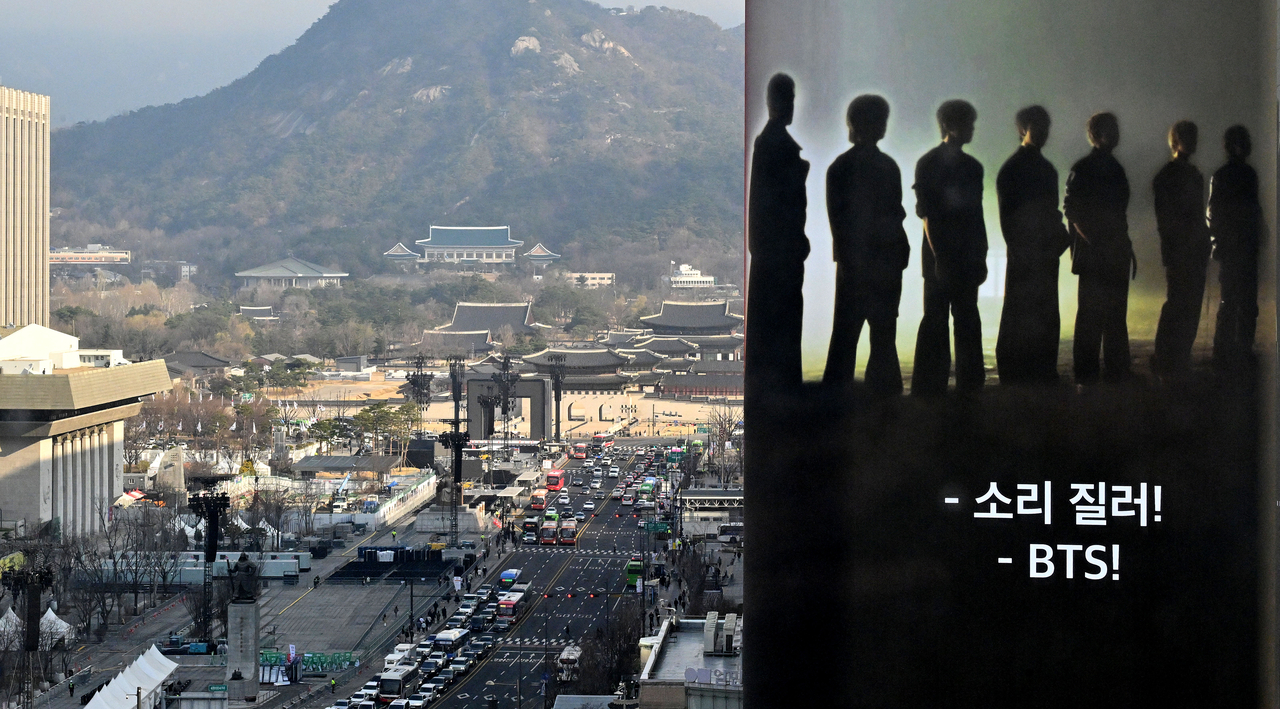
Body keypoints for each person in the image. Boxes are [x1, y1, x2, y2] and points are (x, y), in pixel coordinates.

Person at [822, 94, 911, 394]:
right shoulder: (888, 167)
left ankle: (834, 403)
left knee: (845, 337)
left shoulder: (840, 168)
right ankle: (885, 398)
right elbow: (895, 215)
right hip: (885, 264)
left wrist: (848, 261)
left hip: (854, 266)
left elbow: (839, 224)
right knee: (884, 336)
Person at [911, 99, 989, 396]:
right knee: (963, 317)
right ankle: (969, 383)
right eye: (968, 123)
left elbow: (929, 215)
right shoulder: (970, 167)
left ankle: (930, 386)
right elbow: (933, 215)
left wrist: (942, 256)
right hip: (954, 255)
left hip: (948, 255)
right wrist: (947, 255)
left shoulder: (929, 163)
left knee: (938, 317)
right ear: (952, 125)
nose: (972, 128)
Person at [995, 105, 1071, 384]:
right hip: (1034, 252)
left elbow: (1012, 216)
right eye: (1039, 128)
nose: (1044, 133)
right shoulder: (1037, 169)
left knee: (1026, 312)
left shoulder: (1014, 168)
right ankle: (1037, 369)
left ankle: (1021, 371)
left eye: (1045, 128)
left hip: (1032, 252)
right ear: (1023, 129)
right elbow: (1014, 219)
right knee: (1038, 312)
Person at [746, 73, 811, 400]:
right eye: (788, 101)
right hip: (780, 253)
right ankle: (783, 390)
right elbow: (779, 204)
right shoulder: (776, 146)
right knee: (781, 327)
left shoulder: (770, 143)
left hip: (774, 251)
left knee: (775, 326)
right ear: (777, 103)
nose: (791, 107)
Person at [1065, 112, 1134, 384]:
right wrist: (1099, 241)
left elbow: (1073, 209)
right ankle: (1102, 371)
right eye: (1111, 129)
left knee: (1104, 315)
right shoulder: (1098, 169)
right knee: (1102, 316)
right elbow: (1073, 211)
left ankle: (1095, 372)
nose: (1117, 134)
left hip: (1106, 252)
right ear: (1098, 134)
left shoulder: (1092, 168)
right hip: (1101, 253)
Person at [1151, 120, 1211, 376]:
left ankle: (1173, 356)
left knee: (1184, 303)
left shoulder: (1174, 175)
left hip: (1187, 248)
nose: (1194, 141)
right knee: (1181, 303)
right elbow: (1170, 219)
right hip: (1183, 249)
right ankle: (1169, 356)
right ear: (1176, 142)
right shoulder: (1179, 176)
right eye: (1189, 137)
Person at [1209, 125, 1261, 369]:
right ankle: (1235, 350)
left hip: (1237, 247)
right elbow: (1217, 213)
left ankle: (1226, 351)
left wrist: (1218, 242)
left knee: (1233, 302)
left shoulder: (1224, 175)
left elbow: (1214, 213)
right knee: (1239, 302)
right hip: (1240, 246)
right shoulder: (1245, 175)